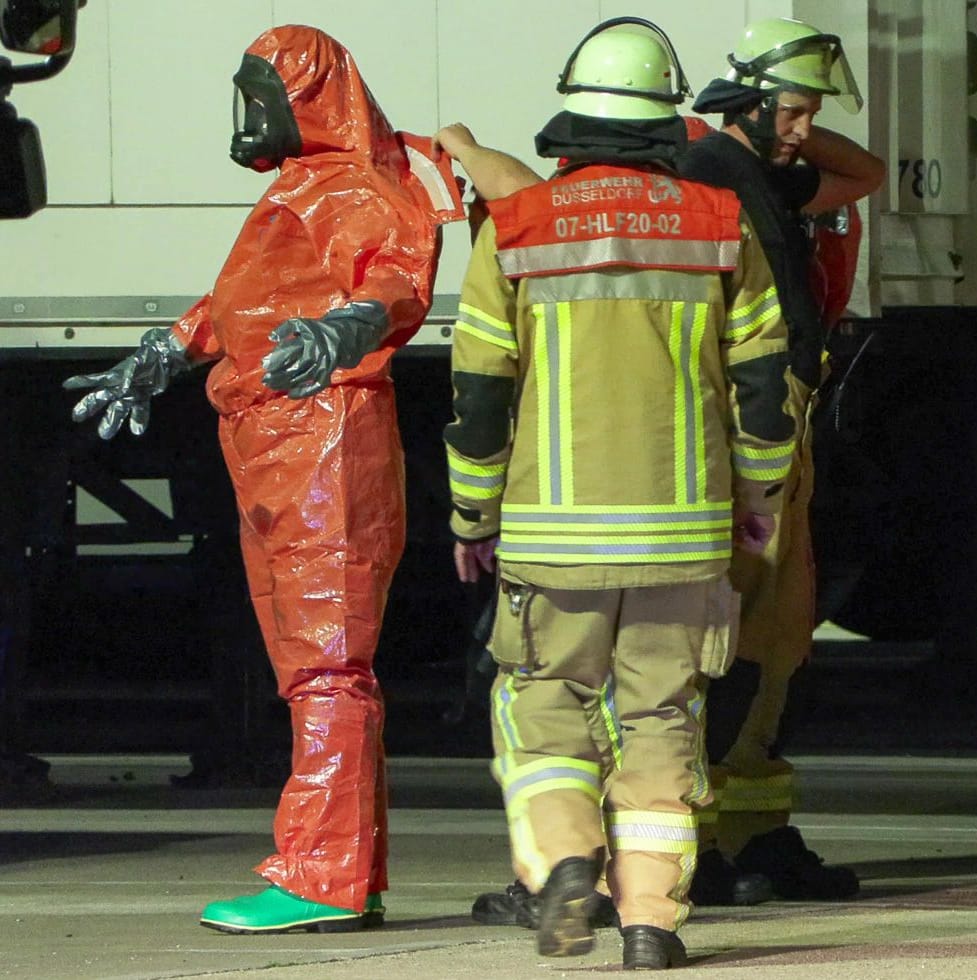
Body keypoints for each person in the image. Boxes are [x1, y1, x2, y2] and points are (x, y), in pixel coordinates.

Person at [63, 26, 463, 932]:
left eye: (258, 95)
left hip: (324, 438)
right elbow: (239, 302)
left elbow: (399, 277)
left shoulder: (360, 187)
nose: (247, 117)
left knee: (325, 664)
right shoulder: (305, 189)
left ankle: (319, 878)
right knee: (311, 664)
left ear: (304, 99)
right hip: (277, 437)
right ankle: (341, 872)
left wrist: (347, 331)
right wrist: (160, 356)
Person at [442, 17, 796, 968]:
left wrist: (472, 515)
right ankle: (649, 925)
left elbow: (478, 396)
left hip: (549, 540)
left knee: (546, 706)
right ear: (661, 124)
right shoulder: (722, 228)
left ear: (571, 121)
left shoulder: (512, 231)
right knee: (662, 722)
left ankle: (565, 863)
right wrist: (760, 495)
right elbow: (763, 384)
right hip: (684, 537)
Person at [677, 15, 881, 905]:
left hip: (783, 432)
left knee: (778, 642)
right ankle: (699, 841)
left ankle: (756, 835)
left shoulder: (760, 171)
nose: (804, 132)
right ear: (749, 103)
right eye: (792, 113)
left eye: (807, 115)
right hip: (740, 439)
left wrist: (783, 114)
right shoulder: (706, 173)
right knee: (727, 646)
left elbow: (861, 175)